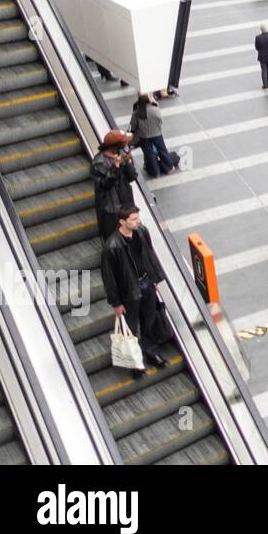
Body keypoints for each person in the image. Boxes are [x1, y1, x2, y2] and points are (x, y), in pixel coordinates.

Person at [100, 205, 170, 371]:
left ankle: (151, 352)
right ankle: (134, 362)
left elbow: (150, 255)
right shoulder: (112, 246)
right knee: (130, 326)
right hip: (128, 291)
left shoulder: (142, 232)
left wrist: (154, 280)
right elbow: (109, 278)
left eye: (138, 218)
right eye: (134, 219)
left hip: (146, 283)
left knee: (149, 319)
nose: (138, 221)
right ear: (122, 222)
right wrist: (116, 303)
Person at [91, 130, 138, 240]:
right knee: (115, 238)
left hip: (126, 204)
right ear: (116, 146)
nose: (127, 146)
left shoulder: (122, 157)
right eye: (124, 143)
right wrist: (115, 168)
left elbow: (132, 177)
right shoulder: (99, 163)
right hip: (112, 209)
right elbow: (105, 185)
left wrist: (129, 162)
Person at [128, 94, 178, 179]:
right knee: (162, 151)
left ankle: (155, 172)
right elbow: (160, 121)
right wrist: (156, 104)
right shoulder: (155, 110)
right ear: (148, 101)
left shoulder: (136, 113)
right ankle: (169, 167)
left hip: (144, 137)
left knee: (149, 154)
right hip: (157, 134)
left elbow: (133, 126)